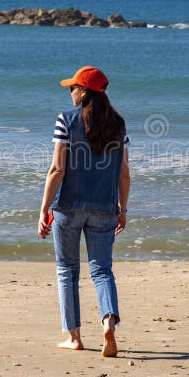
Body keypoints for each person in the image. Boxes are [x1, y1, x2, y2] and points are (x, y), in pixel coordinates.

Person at [38, 66, 130, 357]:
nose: (70, 92)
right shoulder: (119, 125)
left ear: (85, 91)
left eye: (73, 87)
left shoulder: (65, 119)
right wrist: (122, 209)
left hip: (68, 207)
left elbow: (57, 169)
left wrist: (43, 208)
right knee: (102, 270)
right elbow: (124, 173)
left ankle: (75, 337)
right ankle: (108, 324)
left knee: (67, 270)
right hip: (104, 208)